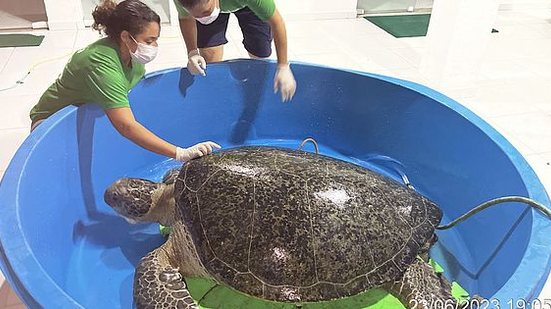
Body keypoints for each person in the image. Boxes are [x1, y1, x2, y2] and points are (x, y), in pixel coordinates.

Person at [29, 0, 220, 162]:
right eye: (149, 41)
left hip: (89, 111)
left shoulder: (131, 57)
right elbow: (126, 125)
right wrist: (180, 153)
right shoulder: (101, 64)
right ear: (126, 37)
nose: (154, 46)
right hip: (51, 124)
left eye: (156, 40)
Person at [175, 0, 297, 102]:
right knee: (209, 57)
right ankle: (216, 100)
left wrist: (283, 66)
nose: (204, 18)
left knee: (260, 52)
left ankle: (255, 100)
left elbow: (276, 22)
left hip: (248, 4)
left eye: (206, 12)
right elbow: (185, 18)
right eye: (197, 16)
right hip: (204, 4)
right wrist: (192, 52)